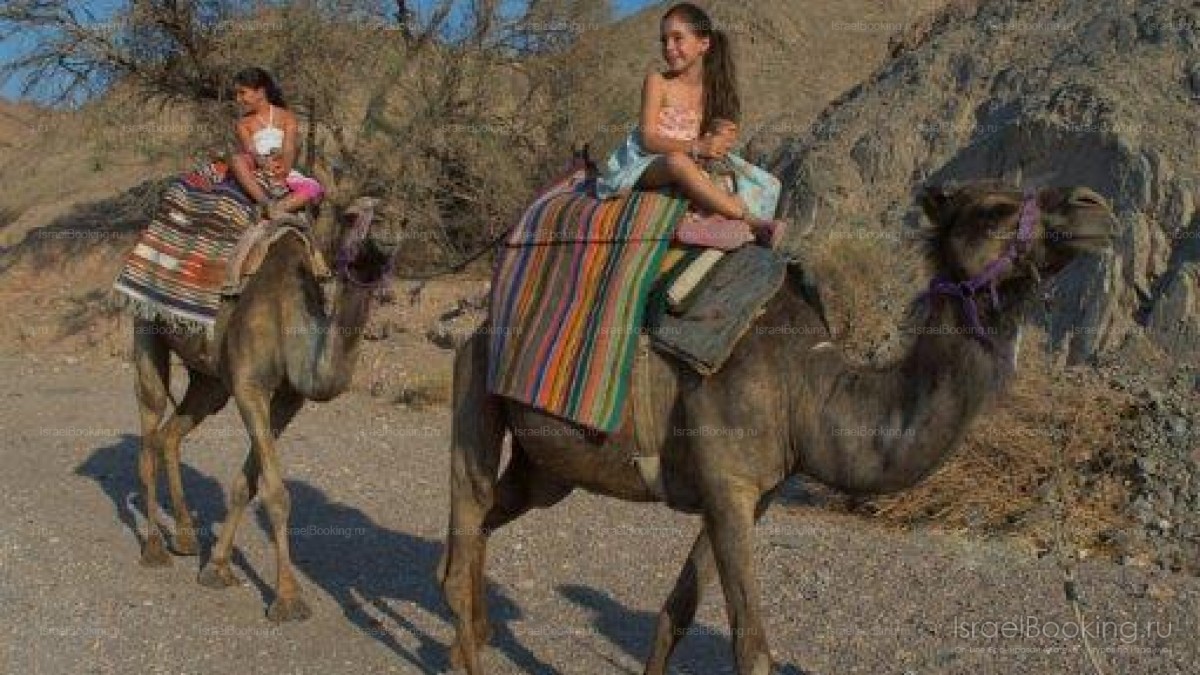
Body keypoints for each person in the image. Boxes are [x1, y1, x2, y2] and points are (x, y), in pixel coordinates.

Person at [594, 2, 786, 248]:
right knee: (677, 162)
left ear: (703, 44)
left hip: (694, 162)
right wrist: (698, 147)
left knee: (756, 181)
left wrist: (719, 138)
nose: (668, 47)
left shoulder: (713, 91)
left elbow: (716, 139)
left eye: (677, 38)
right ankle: (750, 220)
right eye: (664, 40)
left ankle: (705, 225)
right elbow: (648, 139)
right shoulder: (658, 81)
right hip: (647, 162)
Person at [229, 67, 325, 221]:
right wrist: (262, 161)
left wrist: (284, 166)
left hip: (282, 164)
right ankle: (265, 203)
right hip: (257, 163)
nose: (238, 99)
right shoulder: (243, 123)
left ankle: (279, 208)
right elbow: (250, 149)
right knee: (236, 160)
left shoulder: (286, 117)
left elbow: (289, 147)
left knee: (314, 188)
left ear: (260, 92)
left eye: (242, 93)